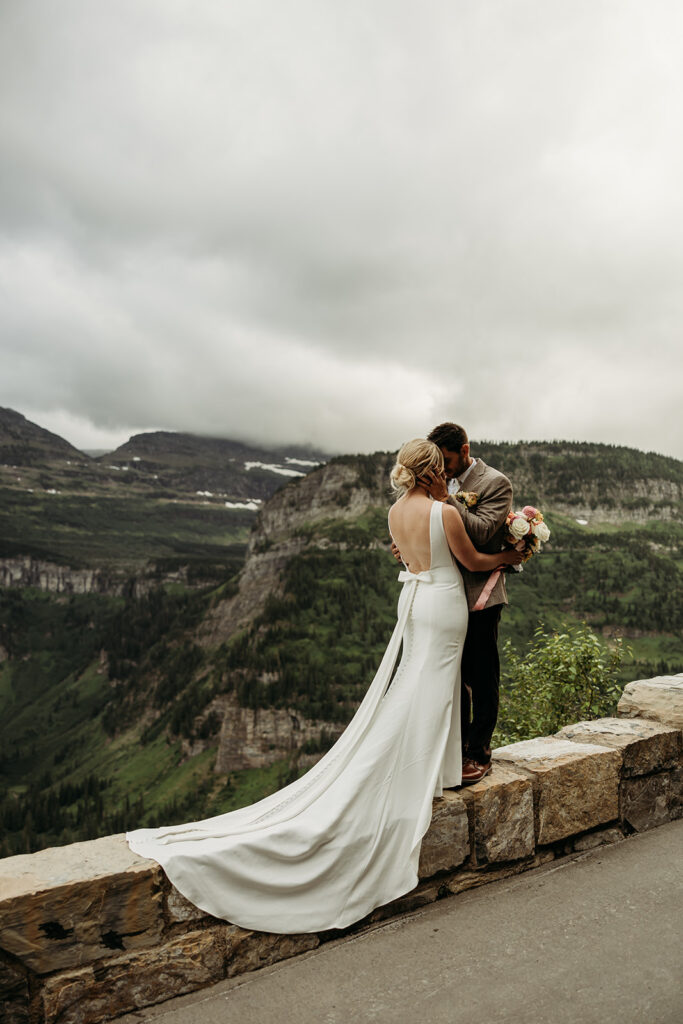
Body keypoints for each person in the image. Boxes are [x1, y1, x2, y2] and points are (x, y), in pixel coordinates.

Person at [127, 440, 521, 934]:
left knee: (415, 683)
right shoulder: (443, 513)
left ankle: (430, 767)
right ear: (432, 471)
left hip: (414, 602)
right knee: (435, 686)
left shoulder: (396, 511)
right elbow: (474, 562)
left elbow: (409, 560)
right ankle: (425, 773)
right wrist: (514, 551)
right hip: (443, 605)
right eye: (440, 467)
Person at [426, 422, 513, 785]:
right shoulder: (432, 479)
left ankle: (480, 753)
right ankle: (457, 750)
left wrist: (445, 500)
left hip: (481, 592)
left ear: (464, 450)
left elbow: (481, 531)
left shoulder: (495, 483)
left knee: (482, 675)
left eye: (446, 460)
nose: (441, 469)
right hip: (443, 592)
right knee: (453, 676)